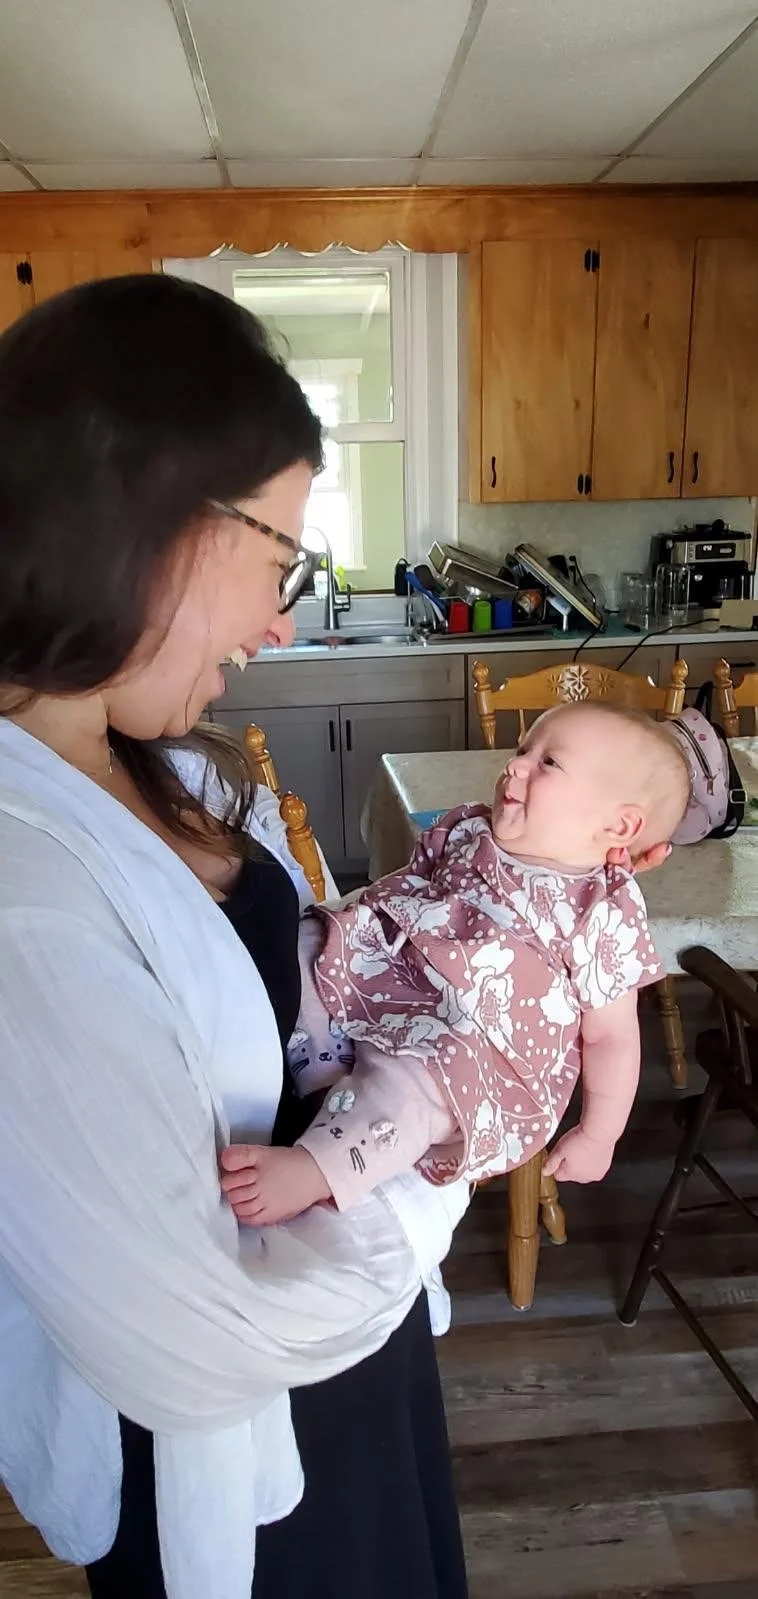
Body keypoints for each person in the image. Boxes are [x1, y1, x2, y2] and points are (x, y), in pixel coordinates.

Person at [0, 273, 471, 1599]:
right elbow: (194, 1336)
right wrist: (432, 1168)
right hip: (244, 1446)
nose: (278, 622)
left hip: (347, 1372)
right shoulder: (22, 882)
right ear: (145, 520)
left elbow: (277, 1002)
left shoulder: (150, 761)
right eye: (278, 559)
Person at [222, 703, 690, 1224]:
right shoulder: (473, 829)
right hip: (398, 971)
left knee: (419, 1084)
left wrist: (599, 1134)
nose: (515, 766)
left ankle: (315, 1168)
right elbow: (406, 884)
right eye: (522, 751)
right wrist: (353, 925)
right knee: (309, 937)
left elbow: (612, 1037)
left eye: (549, 763)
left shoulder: (601, 910)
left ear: (619, 824)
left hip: (477, 1040)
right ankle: (324, 1069)